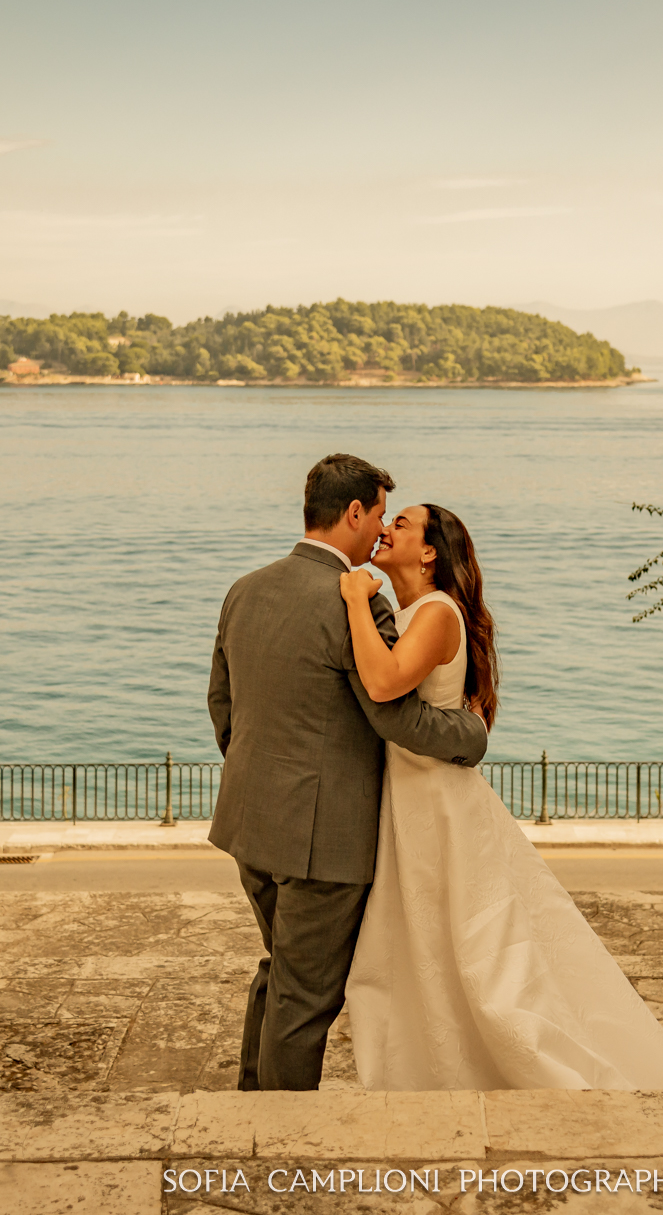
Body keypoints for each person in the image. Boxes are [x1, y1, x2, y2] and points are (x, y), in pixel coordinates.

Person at [338, 503, 663, 1091]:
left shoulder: (436, 612)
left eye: (400, 524)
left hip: (438, 804)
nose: (385, 530)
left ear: (430, 552)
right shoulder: (412, 611)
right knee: (422, 945)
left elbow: (383, 683)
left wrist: (356, 599)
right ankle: (436, 1066)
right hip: (410, 798)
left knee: (474, 952)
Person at [207, 454, 488, 1092]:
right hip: (323, 840)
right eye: (381, 515)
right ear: (355, 512)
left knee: (282, 970)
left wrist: (261, 782)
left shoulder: (245, 589)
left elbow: (223, 706)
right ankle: (276, 1132)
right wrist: (471, 734)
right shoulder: (357, 603)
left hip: (249, 821)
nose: (383, 529)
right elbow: (395, 716)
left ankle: (250, 1102)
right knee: (305, 997)